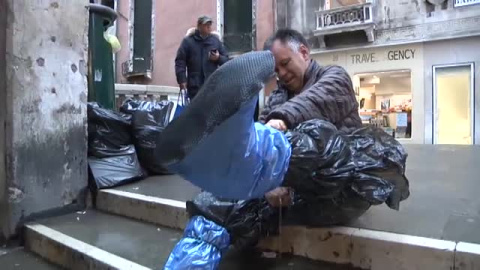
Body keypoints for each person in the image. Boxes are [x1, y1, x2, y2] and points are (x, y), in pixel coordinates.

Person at [260, 29, 362, 207]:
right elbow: (259, 140)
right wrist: (266, 184)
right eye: (276, 70)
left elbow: (315, 101)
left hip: (341, 192)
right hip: (293, 199)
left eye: (285, 63)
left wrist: (281, 119)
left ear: (304, 52)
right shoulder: (276, 97)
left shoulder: (335, 77)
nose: (282, 73)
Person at [175, 15, 230, 100]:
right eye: (206, 25)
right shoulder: (188, 41)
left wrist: (218, 58)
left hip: (212, 87)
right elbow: (180, 62)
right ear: (199, 26)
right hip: (194, 87)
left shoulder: (215, 41)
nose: (208, 27)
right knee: (195, 112)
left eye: (210, 25)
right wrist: (182, 80)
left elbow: (227, 60)